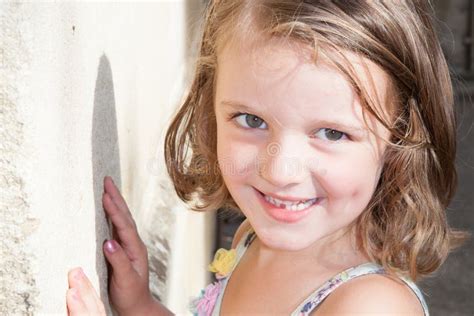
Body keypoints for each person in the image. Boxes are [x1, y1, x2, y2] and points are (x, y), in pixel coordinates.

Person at [66, 0, 470, 315]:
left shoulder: (369, 307)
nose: (280, 172)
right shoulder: (252, 236)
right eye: (251, 119)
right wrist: (140, 305)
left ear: (399, 139)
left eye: (331, 133)